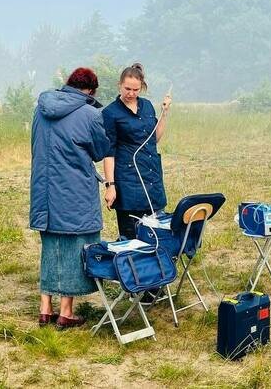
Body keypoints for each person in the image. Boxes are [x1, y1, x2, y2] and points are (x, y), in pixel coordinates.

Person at [29, 67, 110, 329]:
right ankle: (66, 312)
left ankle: (45, 309)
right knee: (76, 247)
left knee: (50, 246)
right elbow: (99, 151)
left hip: (44, 190)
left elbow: (34, 145)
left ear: (67, 84)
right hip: (76, 191)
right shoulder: (90, 113)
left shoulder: (40, 110)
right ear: (91, 90)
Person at [101, 63, 172, 240]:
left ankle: (157, 266)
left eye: (136, 89)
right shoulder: (110, 112)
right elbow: (109, 152)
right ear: (119, 85)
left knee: (156, 232)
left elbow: (154, 139)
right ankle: (131, 266)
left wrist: (164, 113)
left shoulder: (147, 106)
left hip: (151, 176)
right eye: (127, 89)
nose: (131, 93)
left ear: (142, 87)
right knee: (131, 236)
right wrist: (110, 186)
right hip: (128, 180)